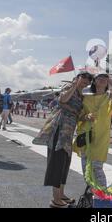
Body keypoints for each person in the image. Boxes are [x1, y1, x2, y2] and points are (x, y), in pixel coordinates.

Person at [33, 71, 93, 209]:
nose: (84, 84)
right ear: (77, 78)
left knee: (64, 163)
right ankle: (55, 199)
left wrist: (85, 117)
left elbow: (76, 114)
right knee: (57, 163)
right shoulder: (68, 88)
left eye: (86, 83)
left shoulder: (80, 95)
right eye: (82, 81)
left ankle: (61, 194)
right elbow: (62, 100)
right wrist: (73, 86)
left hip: (68, 133)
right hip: (58, 130)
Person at [74, 72, 112, 189]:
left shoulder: (110, 97)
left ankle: (102, 195)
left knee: (97, 167)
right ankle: (91, 195)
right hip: (86, 135)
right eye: (100, 77)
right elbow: (79, 116)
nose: (103, 79)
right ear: (94, 81)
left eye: (105, 78)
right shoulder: (86, 98)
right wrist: (86, 117)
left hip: (101, 137)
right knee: (86, 168)